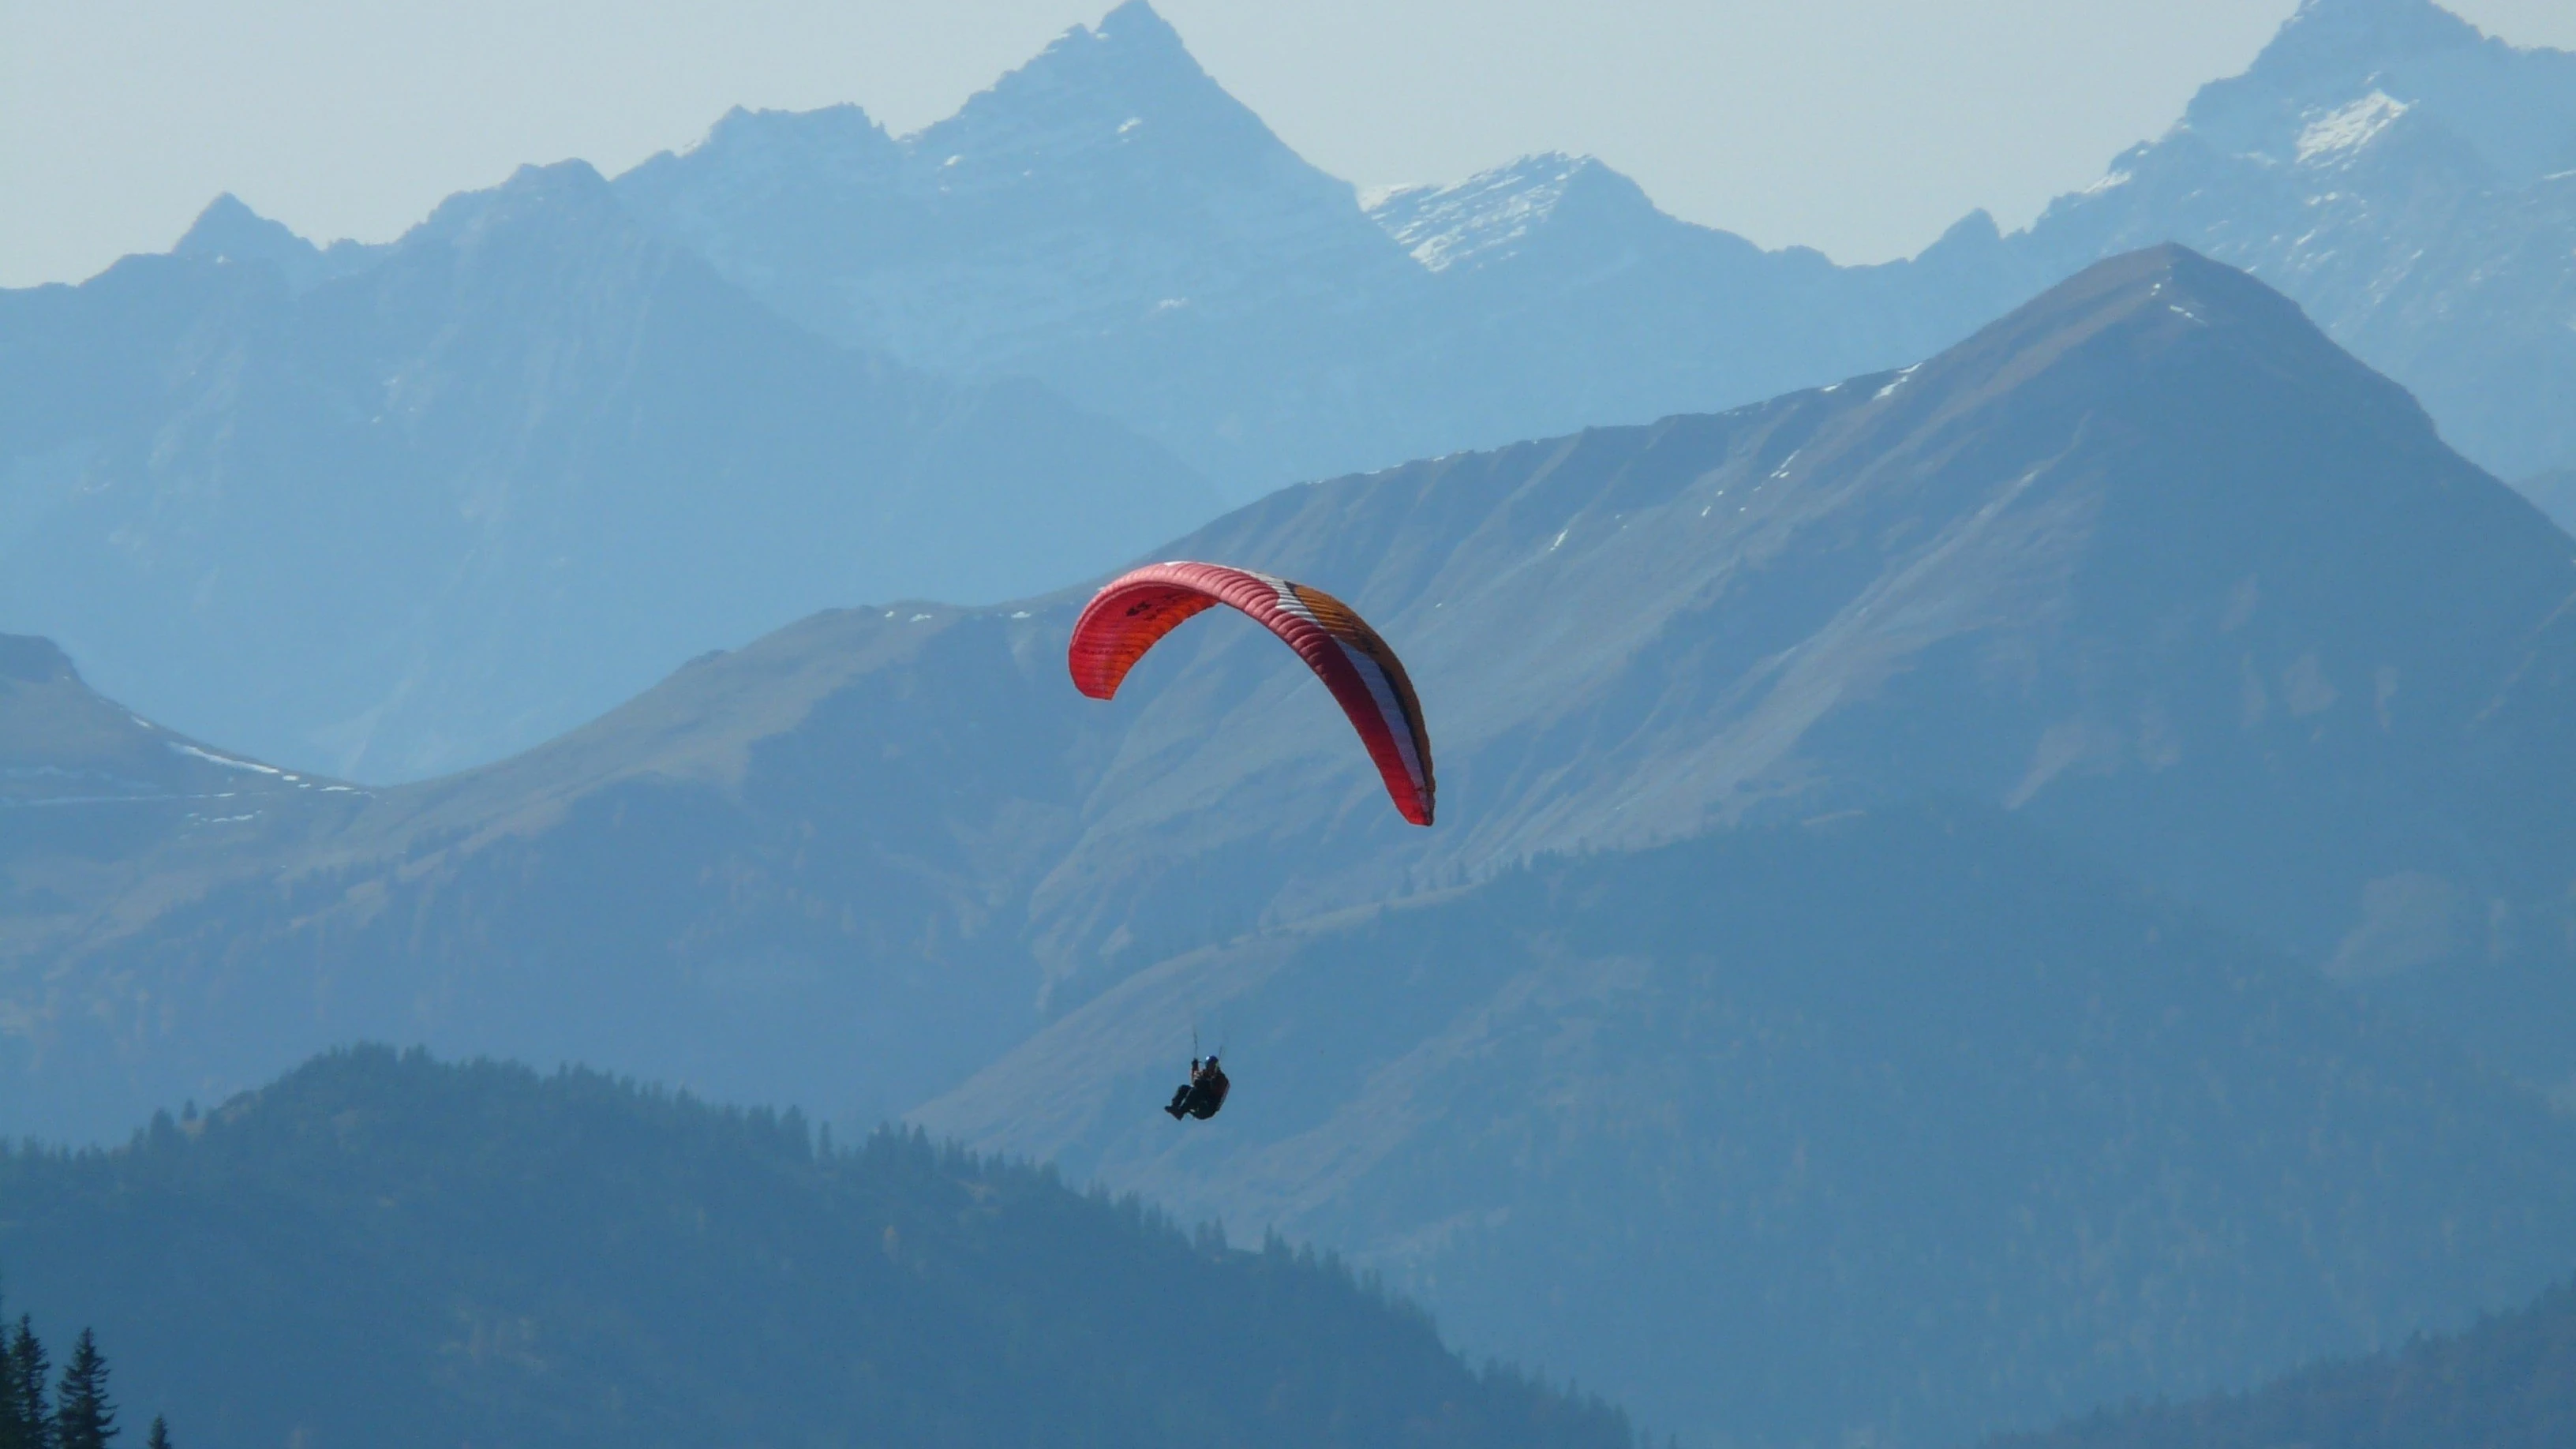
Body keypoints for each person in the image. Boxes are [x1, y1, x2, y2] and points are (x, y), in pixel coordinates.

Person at [1164, 1054, 1230, 1121]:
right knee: (1184, 1088)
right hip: (1200, 1101)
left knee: (1198, 1089)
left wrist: (1213, 1082)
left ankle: (1181, 1111)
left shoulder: (1221, 1078)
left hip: (1209, 1106)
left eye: (1212, 1066)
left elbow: (1217, 1092)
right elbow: (1195, 1081)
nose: (1210, 1068)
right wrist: (1195, 1067)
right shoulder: (1204, 1074)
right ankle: (1175, 1106)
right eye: (1208, 1065)